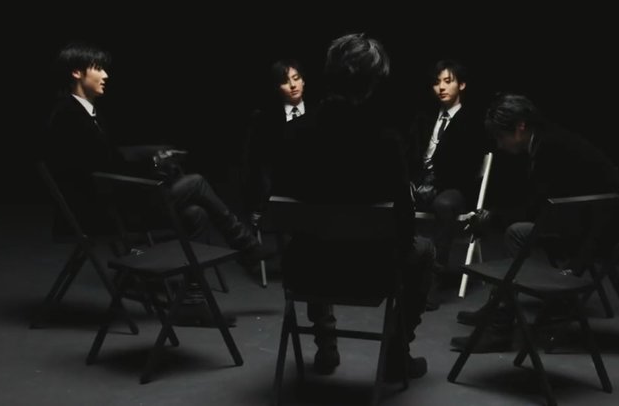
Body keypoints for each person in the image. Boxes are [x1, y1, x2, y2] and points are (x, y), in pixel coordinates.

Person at [282, 33, 435, 380]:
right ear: (372, 83)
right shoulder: (386, 139)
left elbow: (285, 205)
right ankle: (397, 354)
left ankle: (325, 344)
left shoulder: (295, 133)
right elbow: (405, 224)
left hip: (307, 269)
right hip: (373, 272)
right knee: (424, 251)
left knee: (312, 238)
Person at [43, 42, 274, 268]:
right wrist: (153, 165)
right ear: (76, 72)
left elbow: (108, 156)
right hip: (100, 212)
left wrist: (154, 154)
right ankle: (247, 246)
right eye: (98, 68)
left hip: (113, 201)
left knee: (196, 214)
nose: (105, 75)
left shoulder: (87, 112)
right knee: (196, 182)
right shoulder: (68, 116)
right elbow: (98, 171)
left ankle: (194, 287)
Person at [451, 93, 619, 351]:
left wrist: (492, 218)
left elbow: (537, 209)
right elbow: (539, 202)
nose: (499, 145)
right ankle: (497, 309)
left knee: (516, 233)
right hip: (590, 219)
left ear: (520, 126)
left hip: (599, 232)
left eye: (501, 136)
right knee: (516, 228)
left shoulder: (551, 147)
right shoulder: (547, 140)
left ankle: (500, 326)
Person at [408, 59, 485, 310]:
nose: (441, 87)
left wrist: (434, 184)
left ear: (461, 85)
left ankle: (433, 280)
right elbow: (411, 155)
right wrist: (412, 182)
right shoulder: (424, 117)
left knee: (444, 204)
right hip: (421, 184)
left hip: (452, 188)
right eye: (436, 82)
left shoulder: (472, 121)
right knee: (395, 196)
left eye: (448, 81)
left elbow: (467, 168)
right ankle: (400, 274)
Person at [242, 59, 312, 227]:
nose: (293, 85)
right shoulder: (265, 120)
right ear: (276, 87)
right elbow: (258, 165)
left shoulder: (318, 114)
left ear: (303, 81)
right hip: (278, 194)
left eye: (296, 78)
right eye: (285, 82)